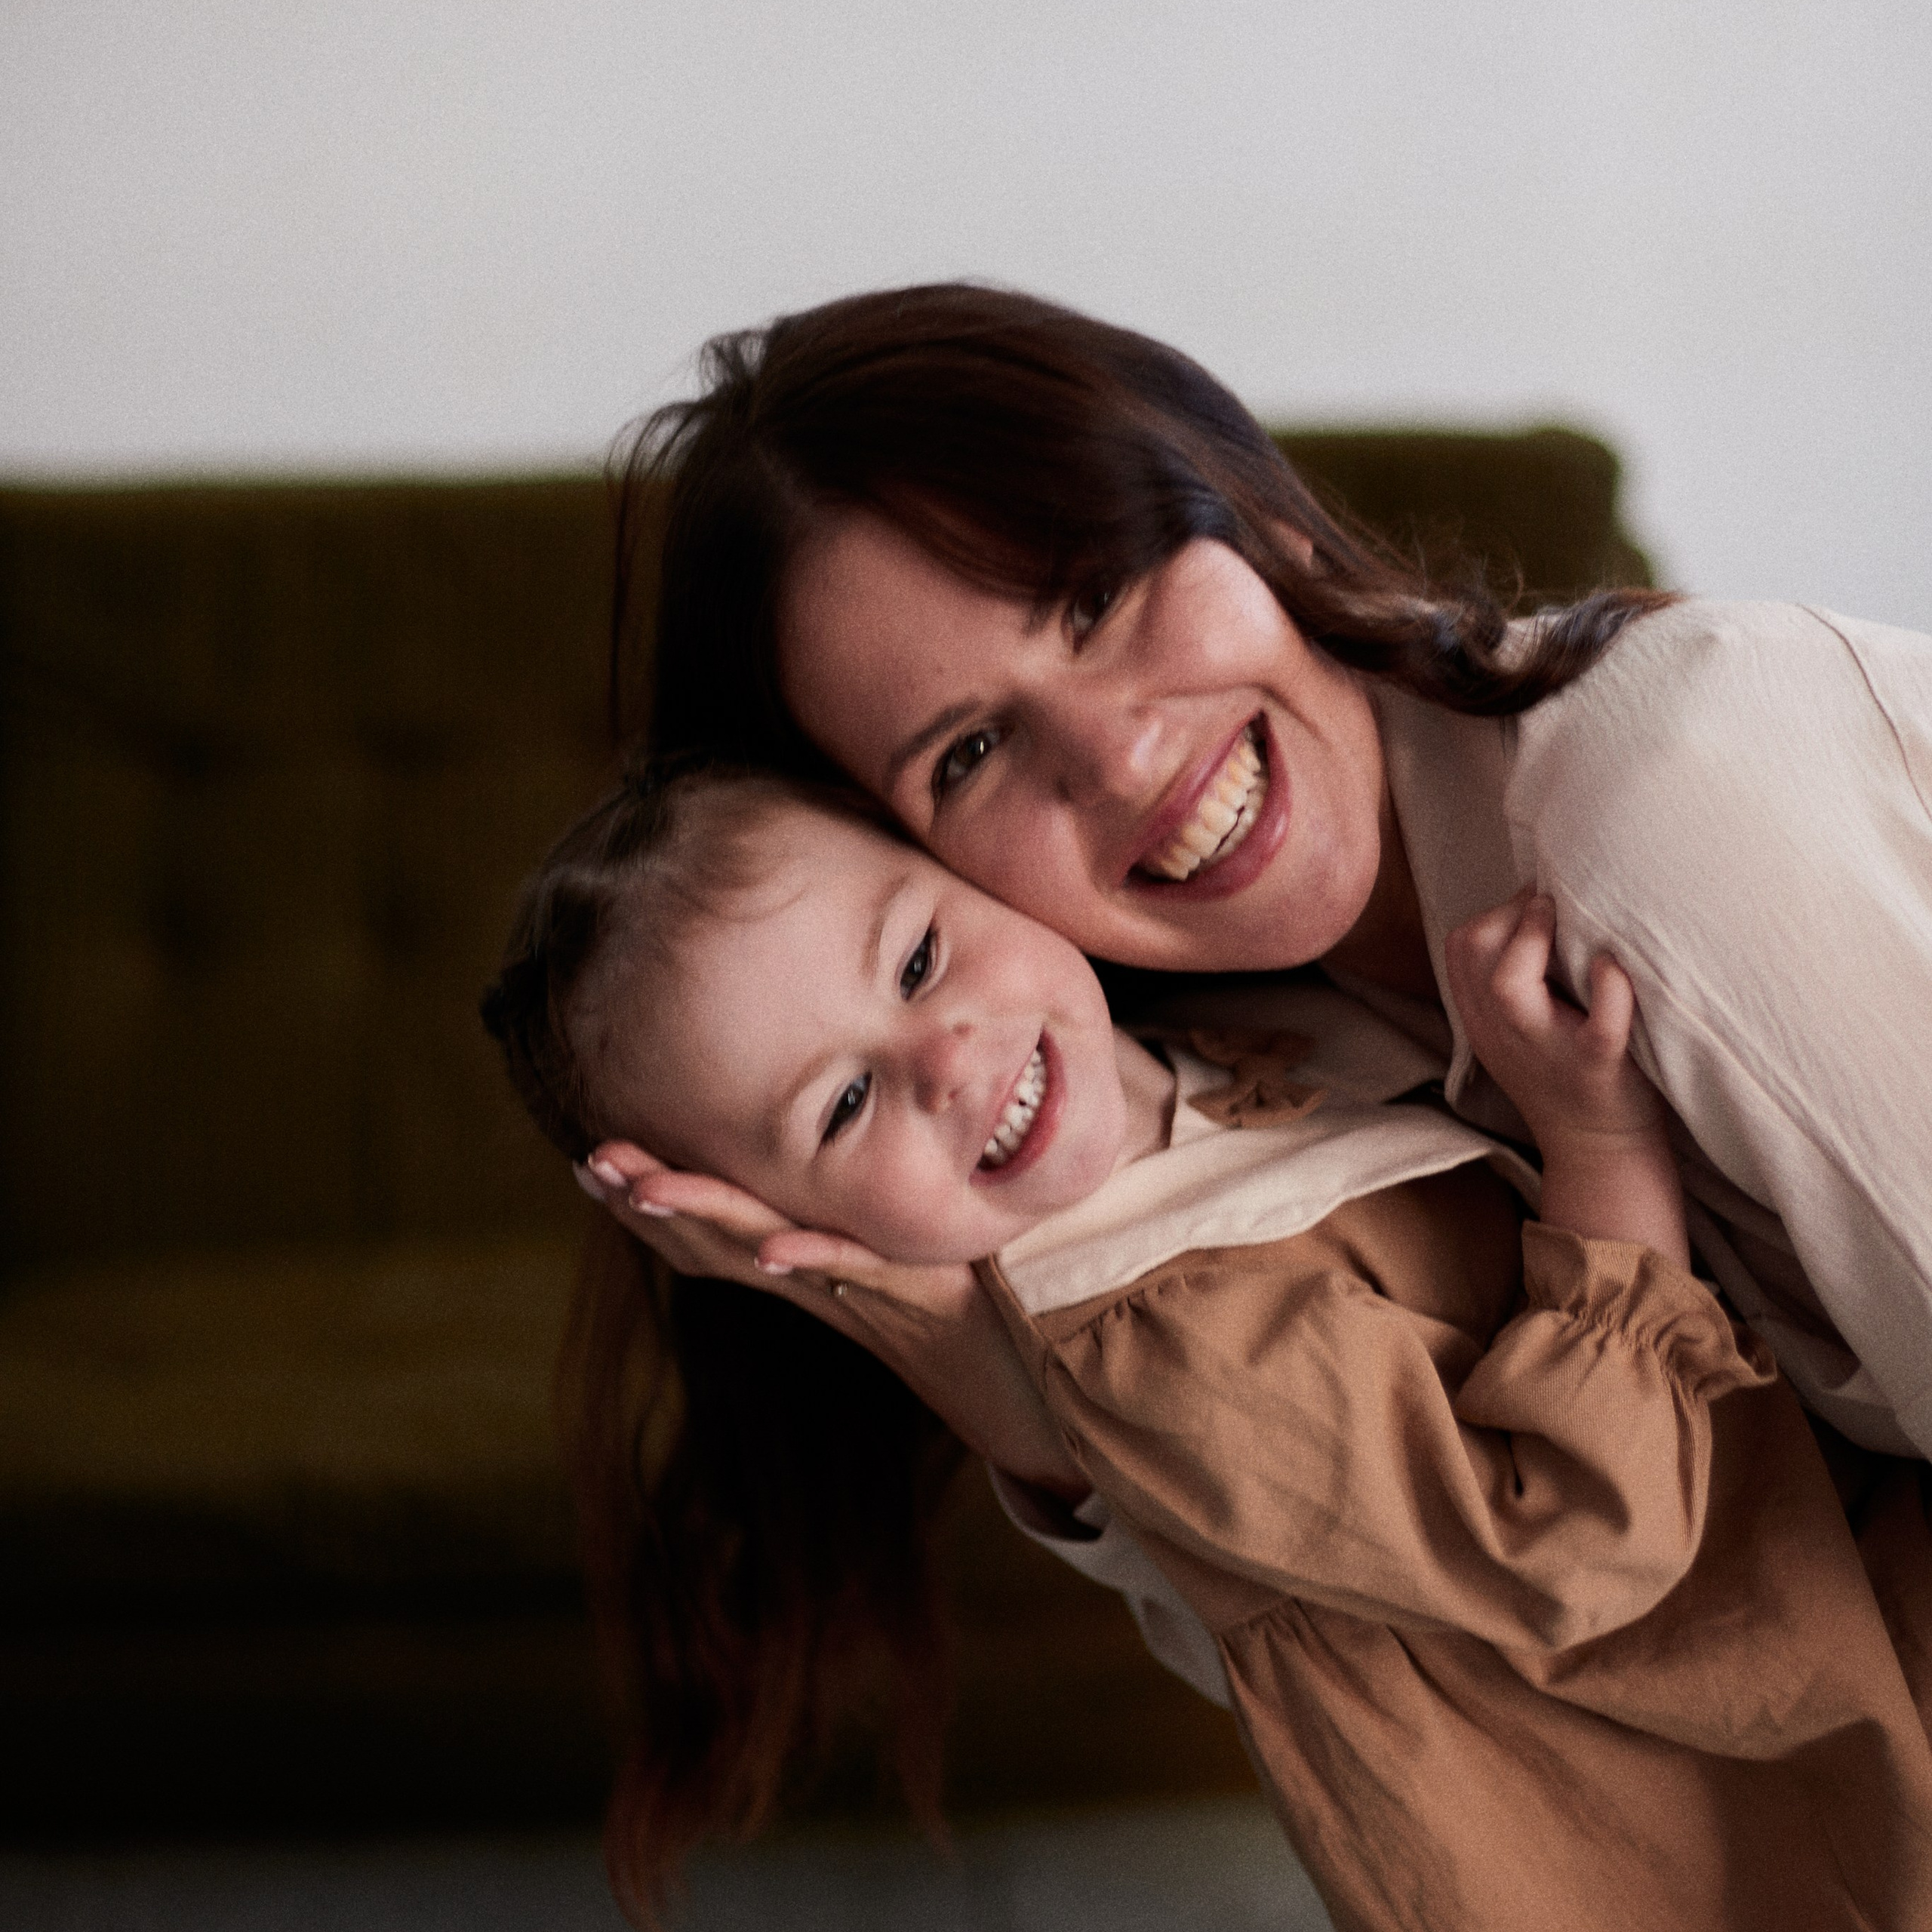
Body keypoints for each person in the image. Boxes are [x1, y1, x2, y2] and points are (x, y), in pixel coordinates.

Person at [484, 762, 1932, 1931]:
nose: (948, 1057)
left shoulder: (1221, 1045)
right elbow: (1573, 1535)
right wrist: (1601, 1139)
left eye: (921, 953)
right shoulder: (1153, 1338)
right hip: (1744, 1828)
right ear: (777, 1232)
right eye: (842, 1109)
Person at [583, 282, 1932, 1478]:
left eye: (1095, 594)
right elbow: (1359, 1672)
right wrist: (969, 1362)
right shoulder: (1261, 1059)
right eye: (971, 752)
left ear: (1249, 509)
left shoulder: (1654, 819)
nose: (1119, 757)